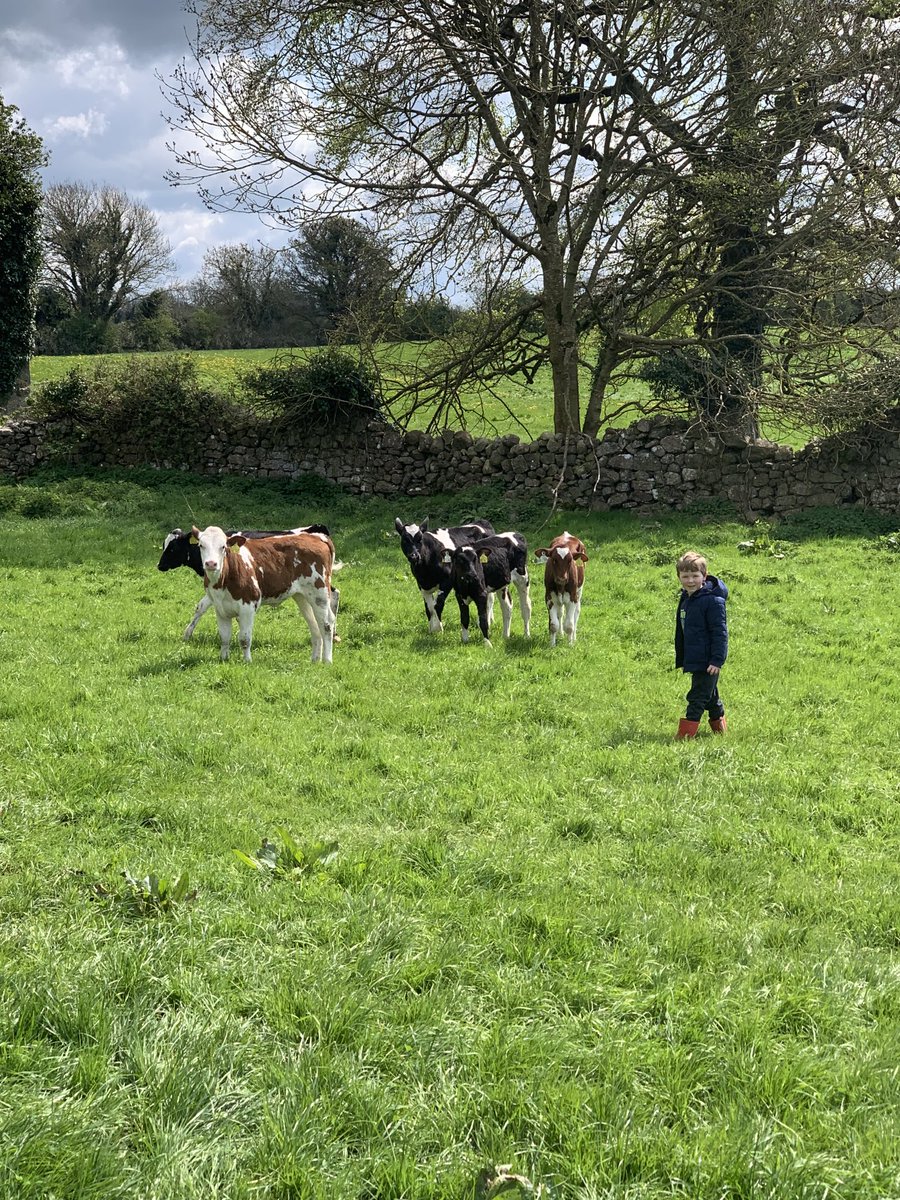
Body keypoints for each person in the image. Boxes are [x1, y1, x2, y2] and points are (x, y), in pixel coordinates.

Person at [674, 550, 728, 738]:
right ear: (679, 577)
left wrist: (717, 660)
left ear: (704, 576)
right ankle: (720, 731)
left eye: (695, 576)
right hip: (695, 656)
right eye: (685, 576)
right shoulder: (686, 598)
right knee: (710, 696)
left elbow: (720, 633)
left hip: (708, 660)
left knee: (697, 696)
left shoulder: (713, 601)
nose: (690, 581)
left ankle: (685, 737)